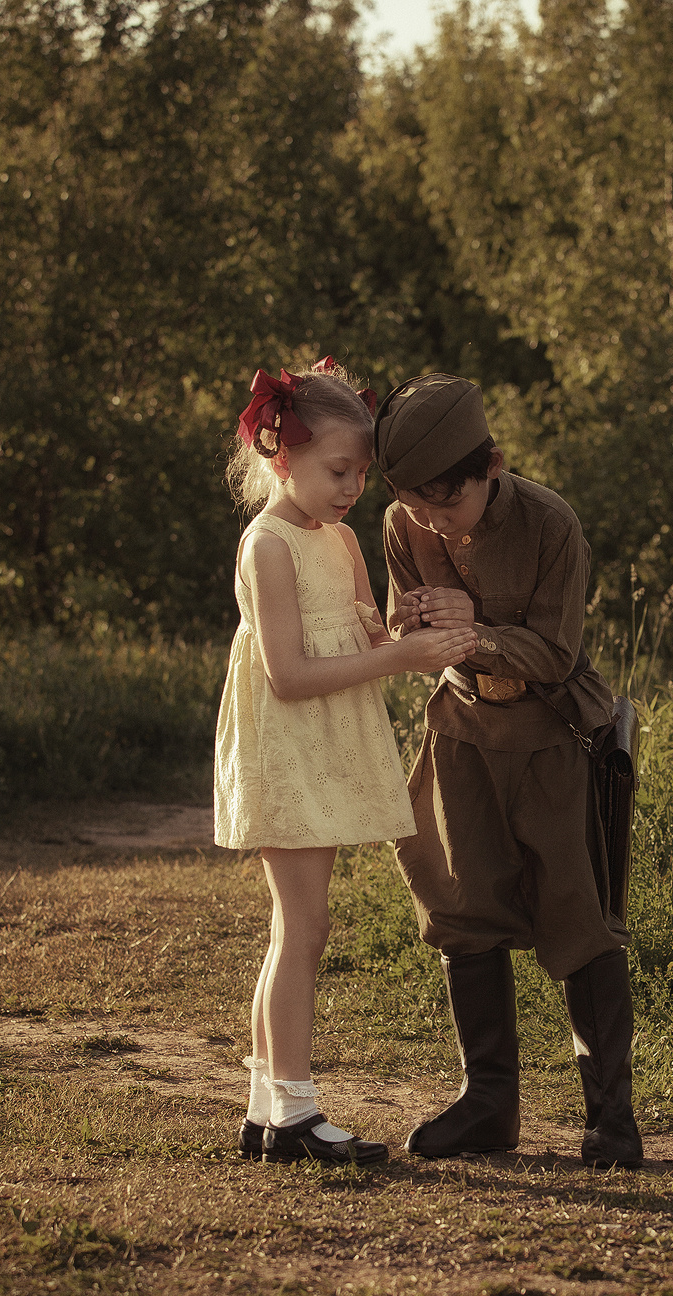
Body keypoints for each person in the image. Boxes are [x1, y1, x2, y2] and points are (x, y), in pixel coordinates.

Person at [374, 373, 645, 1169]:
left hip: (554, 736)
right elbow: (400, 615)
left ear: (490, 466)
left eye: (444, 507)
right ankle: (488, 1101)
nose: (430, 522)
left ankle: (611, 1116)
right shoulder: (403, 522)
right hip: (461, 732)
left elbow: (557, 652)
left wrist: (479, 631)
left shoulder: (551, 522)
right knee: (464, 903)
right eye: (416, 506)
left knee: (577, 911)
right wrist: (417, 620)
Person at [215, 358, 478, 1165]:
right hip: (286, 752)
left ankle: (269, 1108)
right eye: (338, 470)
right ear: (279, 457)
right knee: (304, 926)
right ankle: (293, 1110)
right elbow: (290, 676)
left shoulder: (342, 539)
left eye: (362, 472)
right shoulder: (268, 546)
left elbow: (372, 641)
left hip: (321, 752)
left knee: (295, 927)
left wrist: (420, 629)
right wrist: (400, 661)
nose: (352, 487)